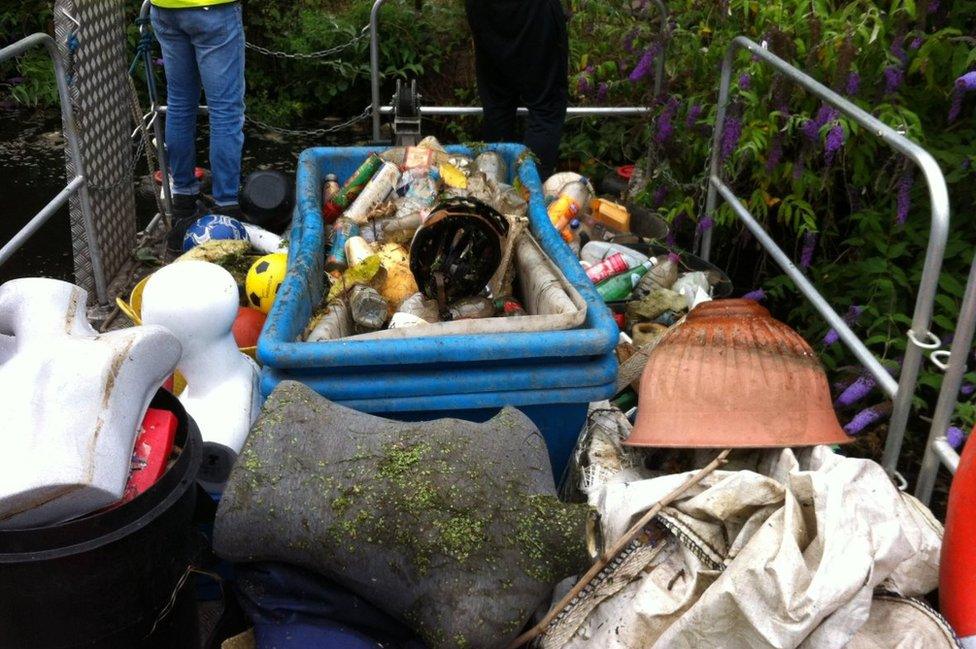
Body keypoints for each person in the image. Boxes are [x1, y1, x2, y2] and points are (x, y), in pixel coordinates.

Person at [150, 0, 245, 252]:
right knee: (225, 111)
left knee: (179, 104)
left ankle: (183, 199)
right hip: (213, 8)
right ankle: (226, 206)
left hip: (165, 8)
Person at [464, 0, 569, 180]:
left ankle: (494, 188)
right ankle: (529, 193)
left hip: (485, 9)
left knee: (497, 104)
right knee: (545, 107)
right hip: (533, 10)